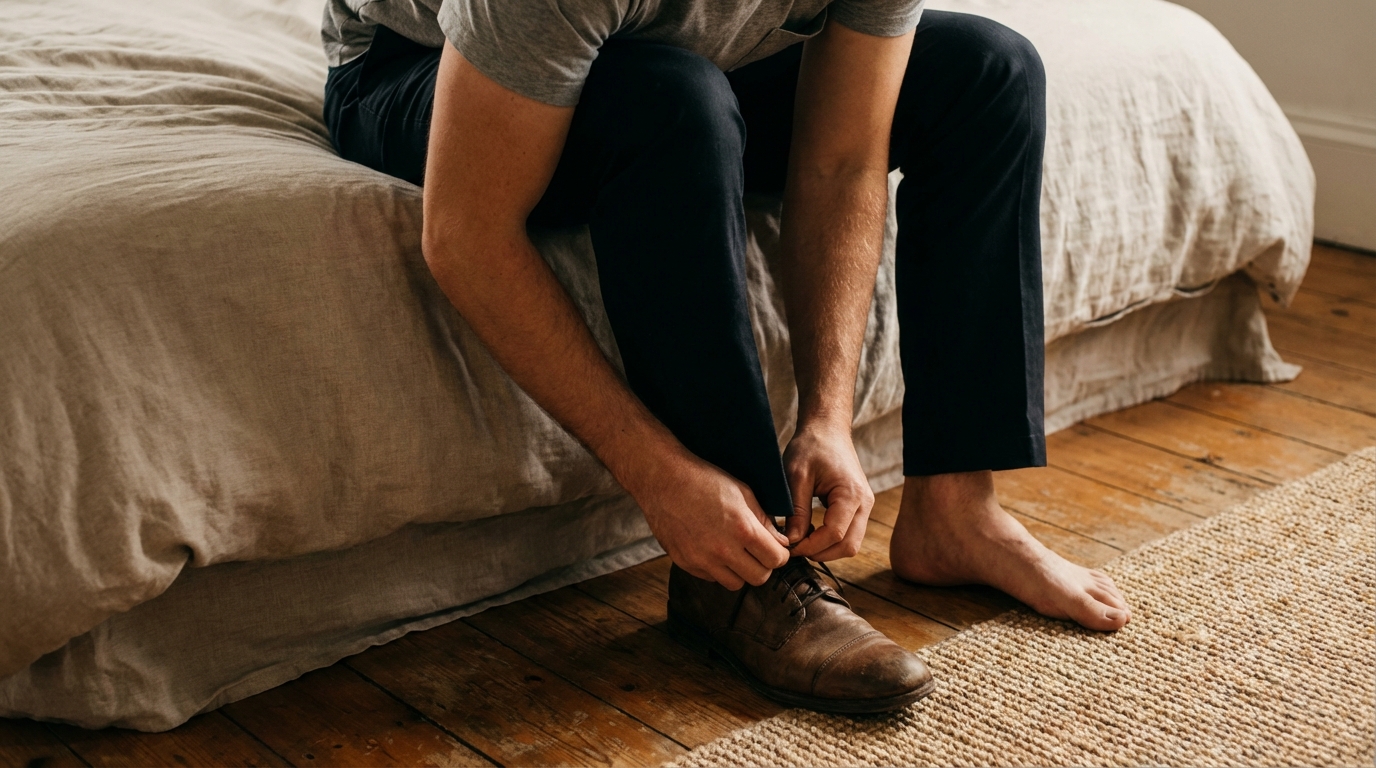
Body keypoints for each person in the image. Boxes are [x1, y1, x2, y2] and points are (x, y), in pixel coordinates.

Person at [322, 0, 1131, 714]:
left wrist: (828, 418)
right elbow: (465, 235)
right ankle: (738, 578)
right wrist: (660, 472)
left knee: (986, 70)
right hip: (413, 68)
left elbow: (841, 157)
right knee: (674, 101)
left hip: (677, 55)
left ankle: (955, 514)